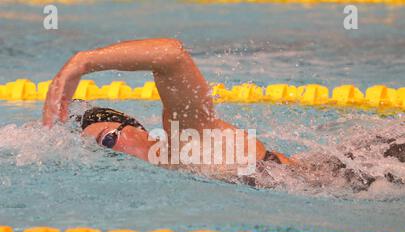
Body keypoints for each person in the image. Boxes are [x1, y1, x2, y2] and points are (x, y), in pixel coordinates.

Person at [42, 38, 293, 179]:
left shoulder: (184, 141)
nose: (113, 155)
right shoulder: (174, 169)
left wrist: (81, 62)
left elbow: (170, 56)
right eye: (97, 153)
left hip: (325, 180)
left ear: (137, 128)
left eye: (108, 140)